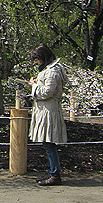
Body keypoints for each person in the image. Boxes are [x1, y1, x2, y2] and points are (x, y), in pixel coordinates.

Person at [28, 43, 68, 186]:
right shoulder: (50, 70)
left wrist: (34, 86)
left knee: (49, 143)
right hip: (47, 110)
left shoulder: (52, 71)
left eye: (37, 60)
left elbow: (47, 92)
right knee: (47, 143)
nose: (36, 63)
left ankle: (55, 174)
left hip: (49, 112)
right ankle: (52, 171)